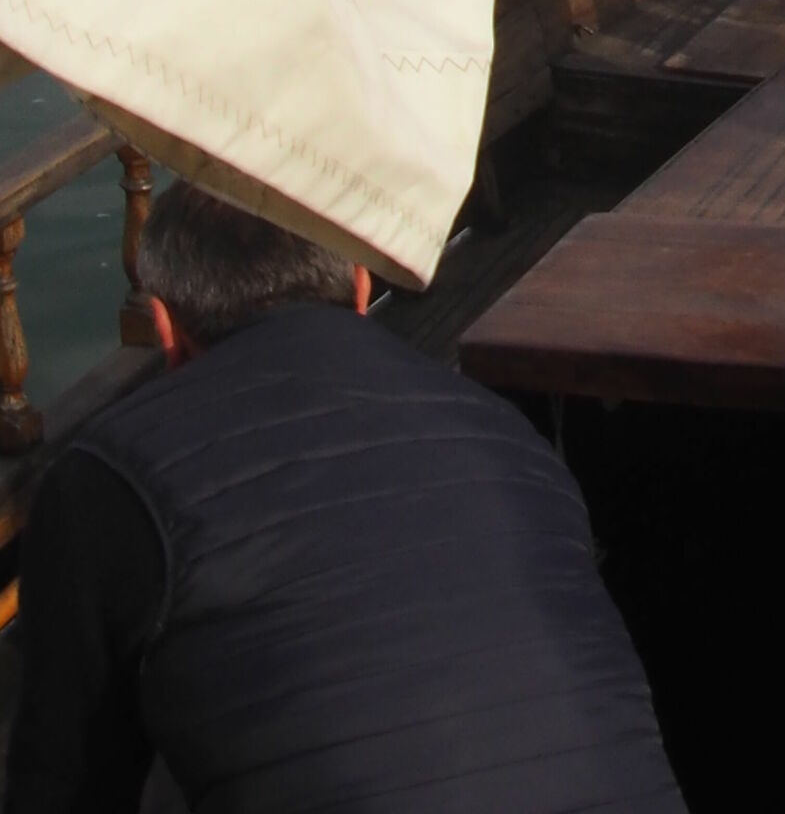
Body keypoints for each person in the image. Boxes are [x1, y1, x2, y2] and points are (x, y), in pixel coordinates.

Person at [7, 180, 684, 814]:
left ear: (162, 326)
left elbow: (64, 786)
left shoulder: (112, 475)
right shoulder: (505, 430)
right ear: (361, 286)